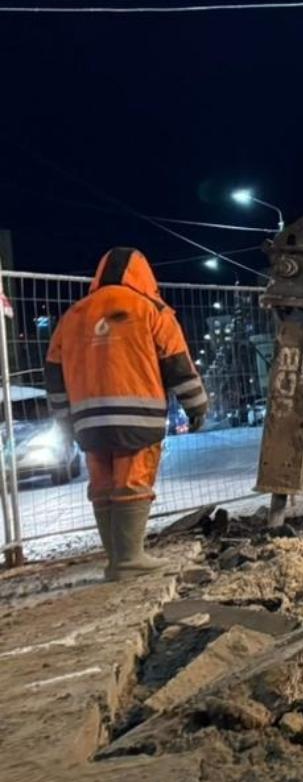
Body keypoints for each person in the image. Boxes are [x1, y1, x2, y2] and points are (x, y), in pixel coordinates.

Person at [44, 247, 207, 581]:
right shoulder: (151, 310)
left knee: (102, 484)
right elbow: (179, 365)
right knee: (133, 481)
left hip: (87, 421)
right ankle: (130, 559)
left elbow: (54, 374)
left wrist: (63, 419)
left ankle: (115, 559)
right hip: (138, 417)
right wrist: (197, 406)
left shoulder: (73, 316)